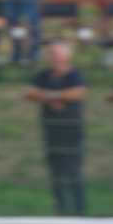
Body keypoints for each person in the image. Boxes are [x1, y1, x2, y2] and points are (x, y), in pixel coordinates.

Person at [25, 41, 88, 214]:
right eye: (51, 55)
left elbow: (78, 93)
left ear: (67, 57)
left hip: (71, 130)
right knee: (56, 173)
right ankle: (60, 209)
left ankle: (79, 210)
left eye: (57, 55)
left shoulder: (74, 75)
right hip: (51, 130)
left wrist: (50, 95)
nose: (54, 58)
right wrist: (56, 97)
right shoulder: (44, 76)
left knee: (73, 171)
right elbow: (30, 93)